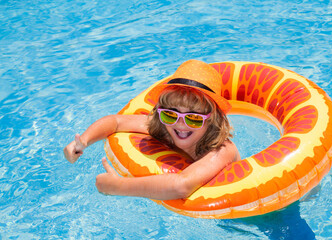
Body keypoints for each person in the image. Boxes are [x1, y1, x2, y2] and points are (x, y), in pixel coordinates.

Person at [63, 59, 241, 200]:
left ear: (213, 120)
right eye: (171, 114)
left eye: (194, 118)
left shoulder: (221, 150)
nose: (180, 124)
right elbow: (115, 121)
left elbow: (182, 186)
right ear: (160, 113)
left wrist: (118, 186)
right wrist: (83, 142)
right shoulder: (165, 128)